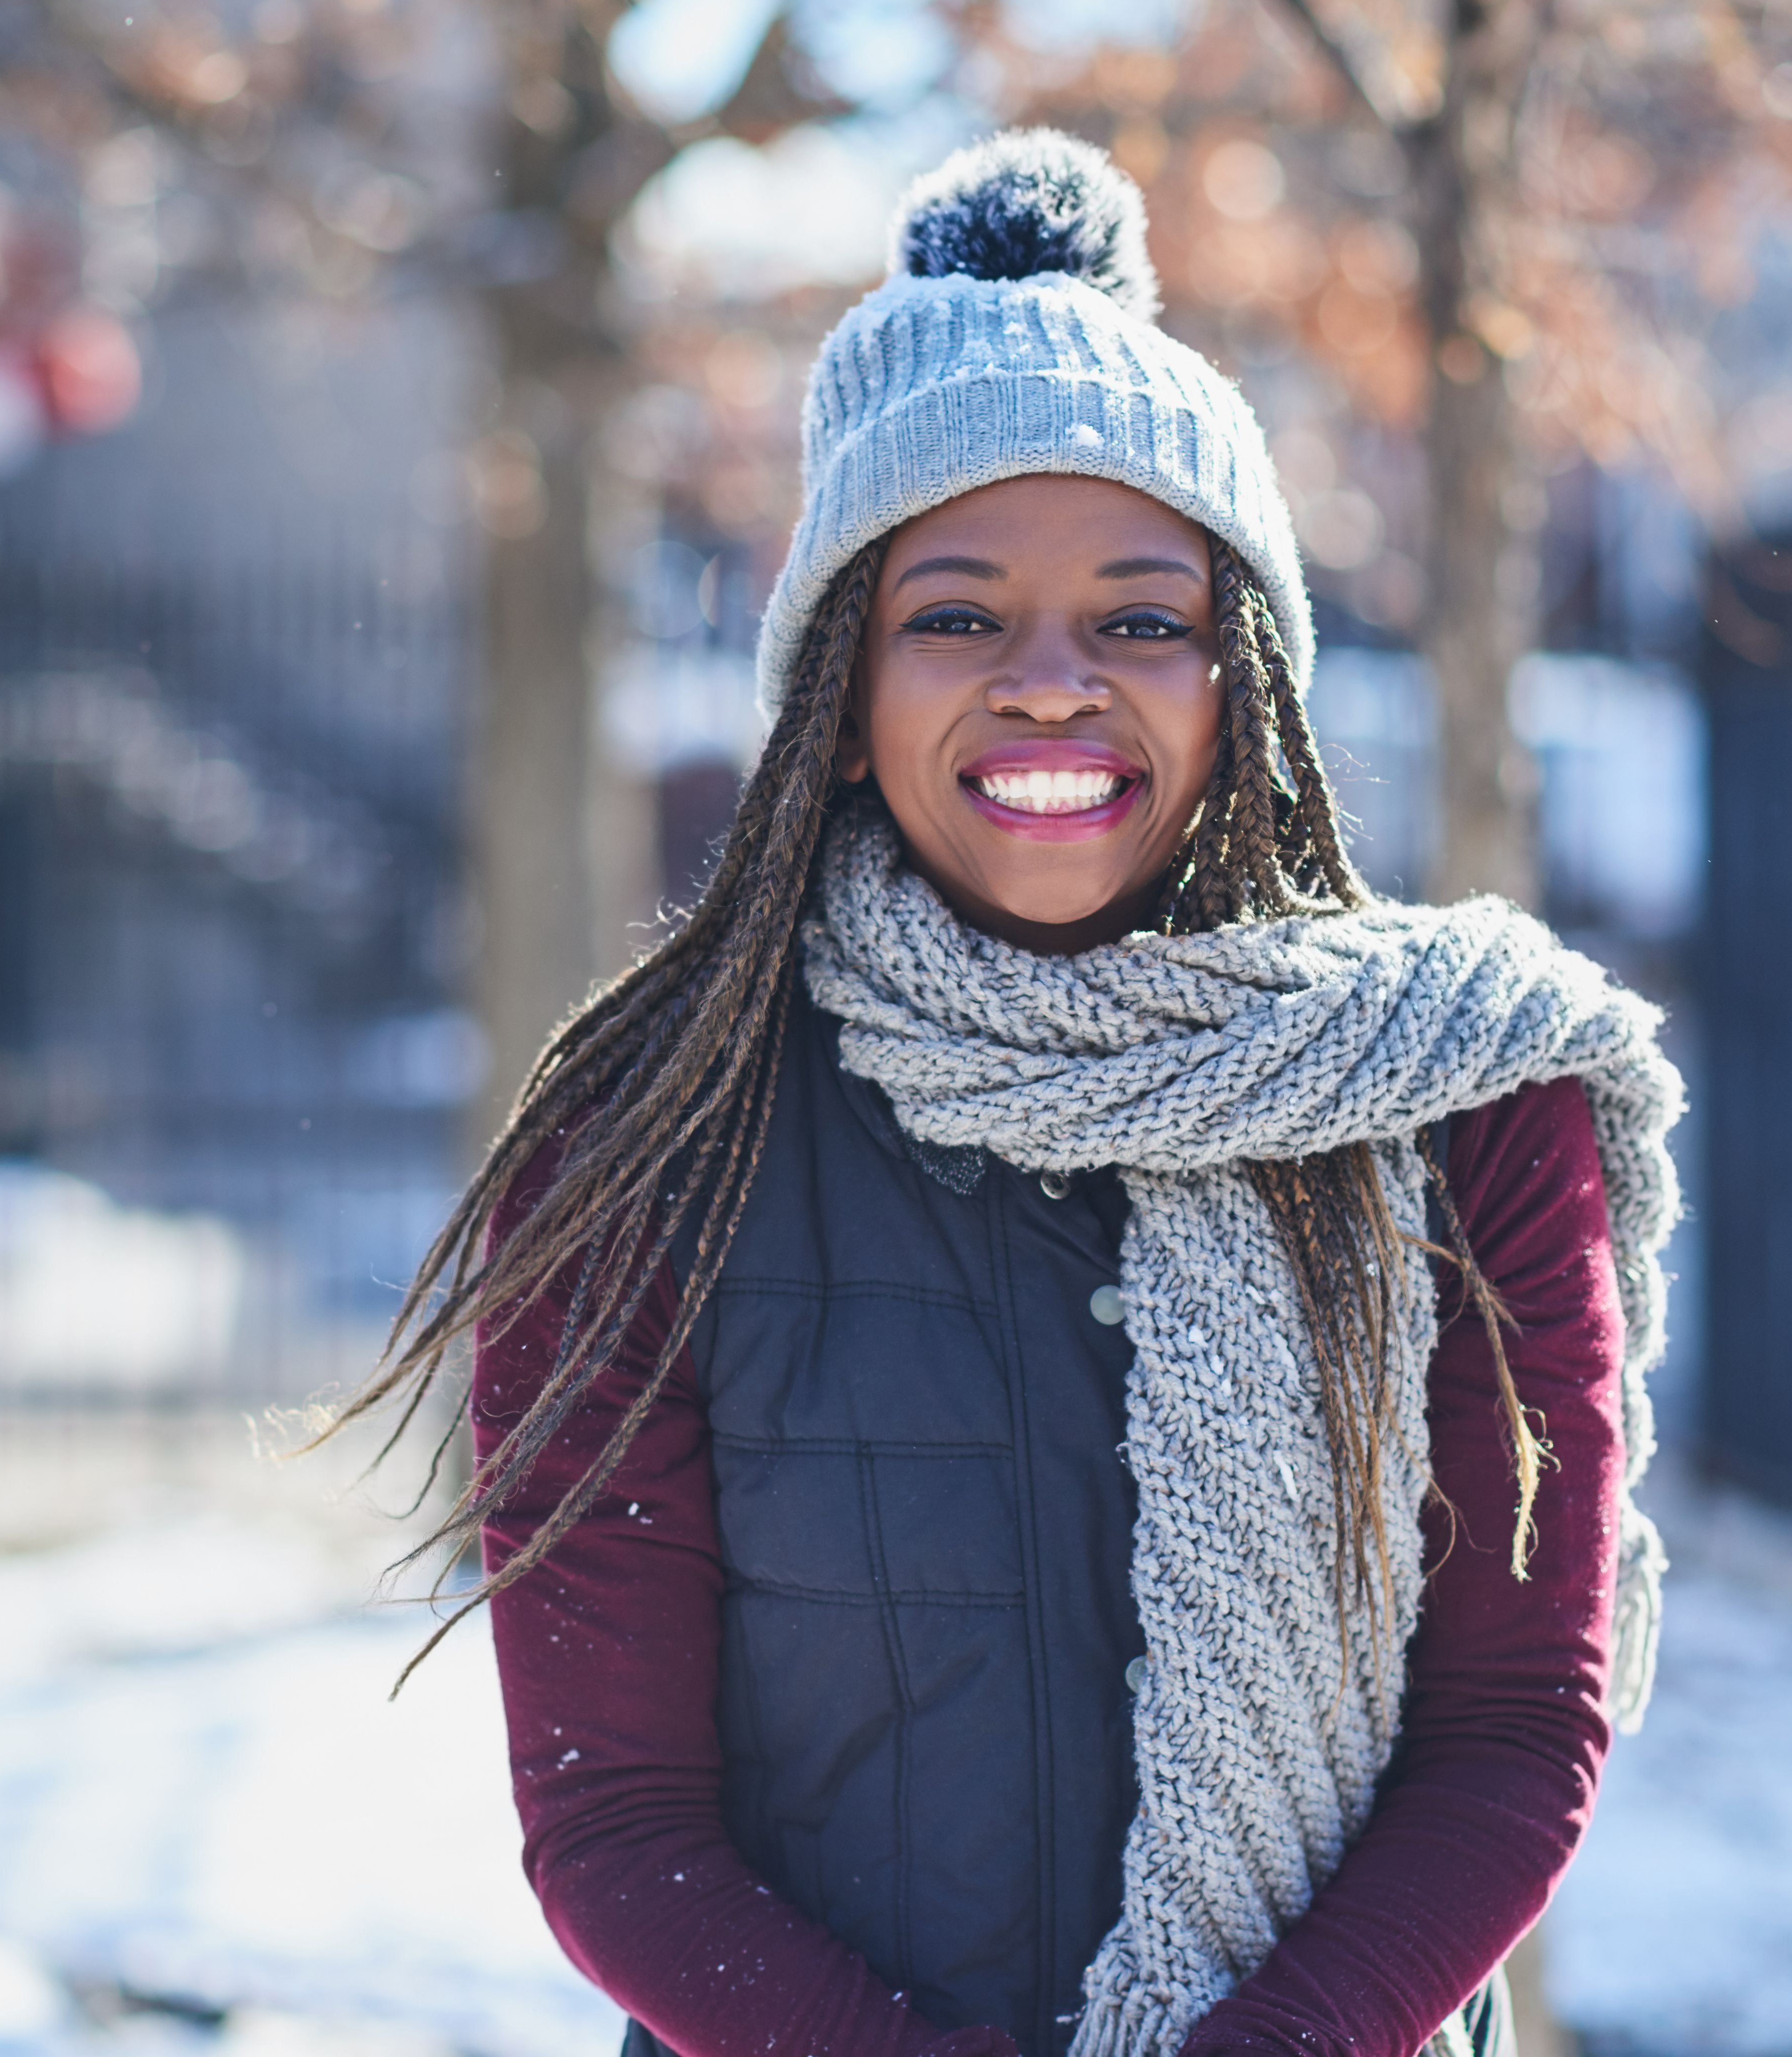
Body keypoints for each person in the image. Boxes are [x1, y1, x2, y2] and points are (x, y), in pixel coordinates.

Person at [340, 129, 1684, 2057]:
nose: (1053, 684)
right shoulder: (652, 1135)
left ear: (1249, 682)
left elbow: (1508, 1727)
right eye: (955, 614)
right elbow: (616, 1822)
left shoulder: (1466, 1102)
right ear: (840, 681)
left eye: (1142, 618)